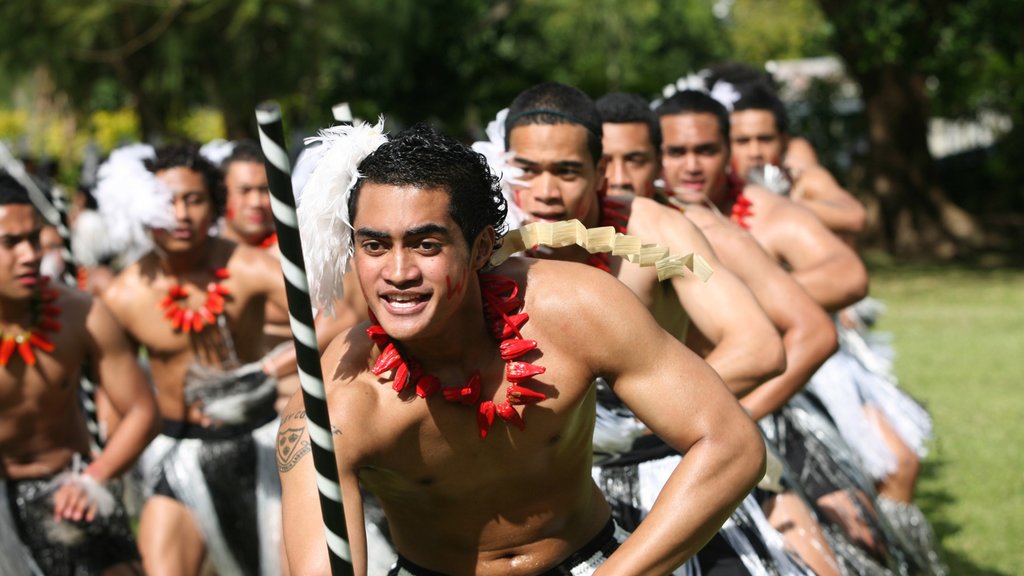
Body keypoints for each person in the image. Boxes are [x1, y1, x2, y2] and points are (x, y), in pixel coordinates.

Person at [279, 122, 766, 575]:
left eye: (427, 244)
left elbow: (731, 445)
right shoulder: (336, 403)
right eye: (375, 246)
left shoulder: (578, 309)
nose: (398, 272)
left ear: (481, 248)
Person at [598, 90, 842, 575]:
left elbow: (809, 331)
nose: (622, 177)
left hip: (707, 438)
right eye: (607, 161)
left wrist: (705, 415)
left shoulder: (697, 229)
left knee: (814, 559)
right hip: (597, 465)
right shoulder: (546, 237)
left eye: (636, 160)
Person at [96, 143, 295, 576]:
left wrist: (270, 369)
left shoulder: (250, 267)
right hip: (178, 453)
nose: (181, 215)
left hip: (261, 443)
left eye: (194, 199)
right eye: (168, 202)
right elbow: (112, 385)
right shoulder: (123, 295)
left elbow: (337, 322)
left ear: (215, 205)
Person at [0, 170, 159, 575]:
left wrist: (94, 478)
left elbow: (142, 411)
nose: (30, 254)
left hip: (76, 485)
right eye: (10, 243)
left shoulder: (81, 312)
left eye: (33, 238)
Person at [724, 82, 867, 240]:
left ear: (784, 141)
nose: (755, 152)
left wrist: (783, 202)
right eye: (742, 141)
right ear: (725, 145)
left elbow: (854, 217)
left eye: (765, 139)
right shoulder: (717, 186)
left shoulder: (800, 180)